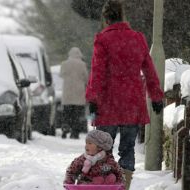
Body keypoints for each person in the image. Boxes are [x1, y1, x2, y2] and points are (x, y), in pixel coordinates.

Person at [85, 0, 164, 189]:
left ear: (106, 18)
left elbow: (97, 72)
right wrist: (156, 96)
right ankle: (123, 185)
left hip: (108, 104)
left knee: (103, 149)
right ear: (122, 16)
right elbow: (150, 70)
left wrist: (92, 99)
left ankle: (105, 185)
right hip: (132, 103)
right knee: (128, 150)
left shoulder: (103, 40)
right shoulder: (137, 38)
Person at [60, 47, 88, 139]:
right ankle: (75, 132)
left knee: (67, 112)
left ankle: (65, 127)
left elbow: (61, 74)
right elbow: (86, 77)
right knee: (77, 114)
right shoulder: (82, 64)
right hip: (79, 93)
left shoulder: (64, 64)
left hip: (67, 92)